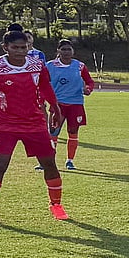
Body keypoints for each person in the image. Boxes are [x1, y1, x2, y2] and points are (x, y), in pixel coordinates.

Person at [0, 29, 64, 225]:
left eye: (23, 47)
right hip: (5, 125)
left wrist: (55, 109)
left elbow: (45, 87)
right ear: (5, 47)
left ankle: (56, 205)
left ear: (29, 47)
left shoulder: (36, 64)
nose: (20, 51)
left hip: (34, 123)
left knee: (49, 163)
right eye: (15, 47)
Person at [44, 39, 95, 171]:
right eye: (63, 49)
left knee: (73, 132)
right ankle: (49, 161)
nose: (66, 52)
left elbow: (89, 81)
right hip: (58, 104)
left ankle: (70, 160)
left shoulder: (80, 66)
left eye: (69, 49)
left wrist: (88, 89)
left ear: (73, 51)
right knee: (53, 132)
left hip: (76, 104)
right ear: (58, 51)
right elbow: (42, 82)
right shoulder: (50, 66)